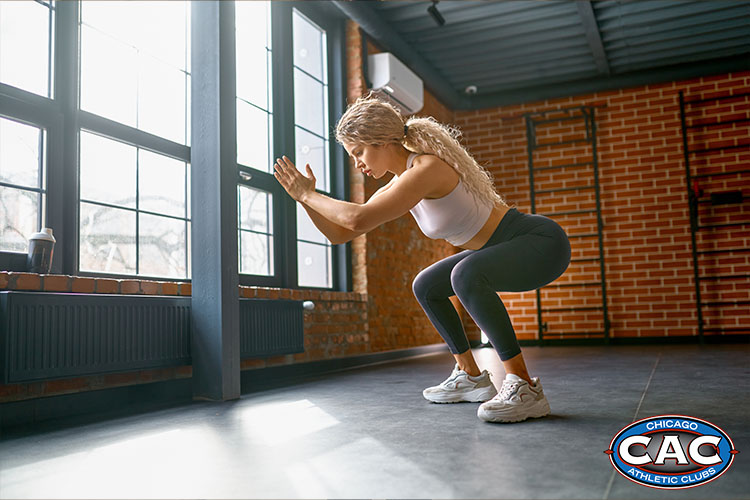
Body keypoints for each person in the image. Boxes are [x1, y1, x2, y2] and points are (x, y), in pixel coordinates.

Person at [273, 95, 571, 423]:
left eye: (358, 152)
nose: (357, 163)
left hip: (539, 242)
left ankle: (525, 387)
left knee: (464, 274)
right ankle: (470, 376)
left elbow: (356, 219)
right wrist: (303, 200)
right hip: (496, 249)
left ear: (382, 140)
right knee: (427, 284)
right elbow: (341, 233)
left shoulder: (427, 168)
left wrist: (308, 193)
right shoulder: (396, 183)